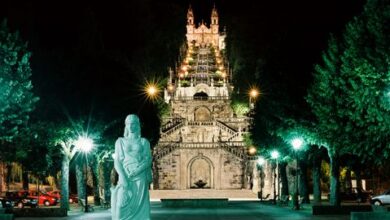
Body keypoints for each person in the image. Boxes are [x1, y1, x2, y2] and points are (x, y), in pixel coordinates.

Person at [111, 114, 152, 220]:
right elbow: (117, 162)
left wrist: (138, 170)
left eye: (133, 124)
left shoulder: (144, 142)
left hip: (140, 177)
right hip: (125, 176)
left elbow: (148, 160)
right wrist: (123, 176)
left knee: (141, 208)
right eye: (128, 124)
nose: (131, 126)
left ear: (138, 125)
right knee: (121, 205)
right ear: (126, 126)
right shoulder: (120, 141)